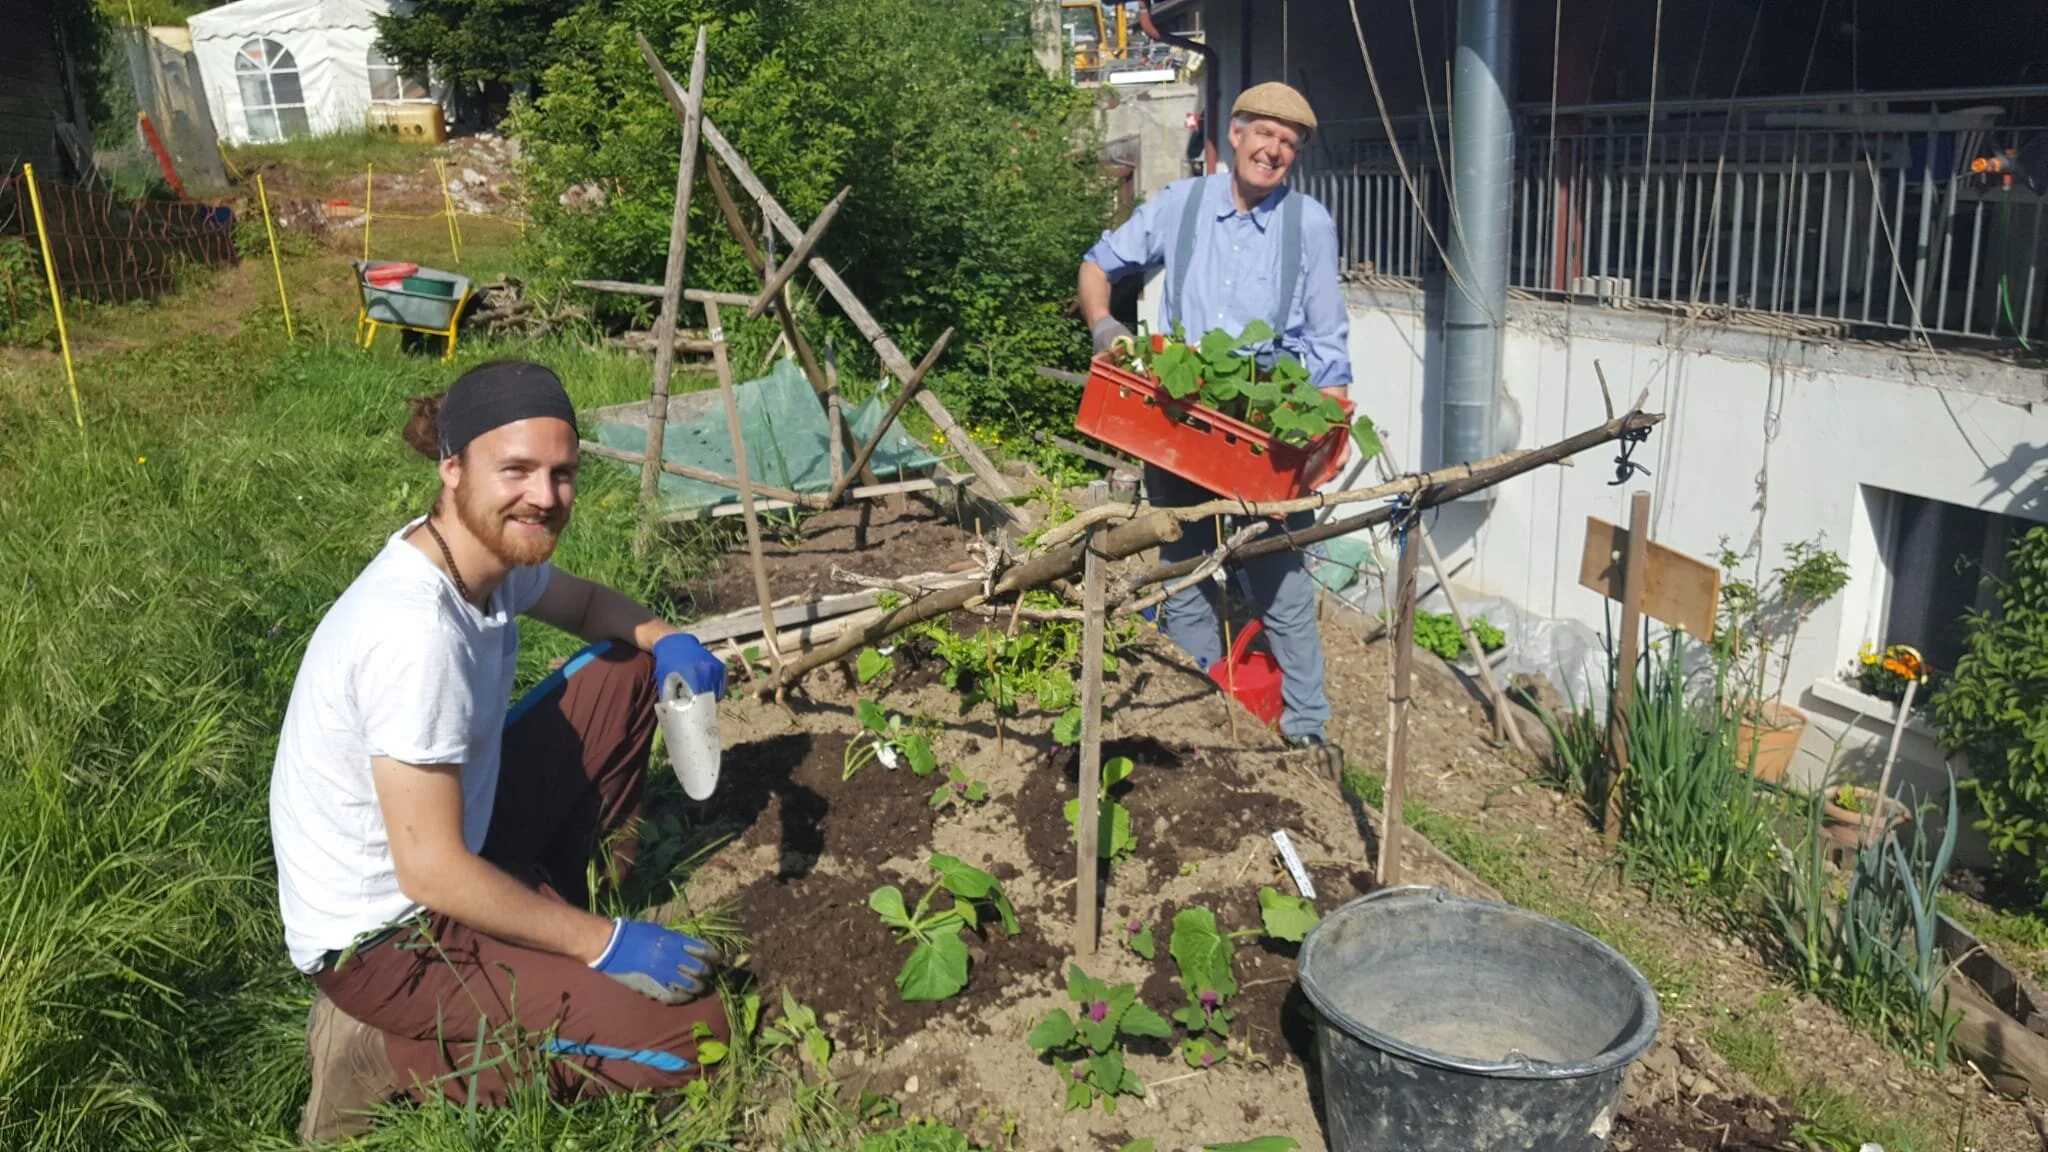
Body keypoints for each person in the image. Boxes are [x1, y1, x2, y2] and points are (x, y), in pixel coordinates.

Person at [269, 360, 733, 1141]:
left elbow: (588, 604)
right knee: (699, 1036)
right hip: (390, 940)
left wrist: (670, 638)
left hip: (451, 841)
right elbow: (431, 871)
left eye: (562, 473)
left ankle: (557, 908)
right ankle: (386, 1053)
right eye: (515, 469)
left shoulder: (479, 562)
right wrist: (608, 945)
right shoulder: (414, 635)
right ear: (453, 468)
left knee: (625, 668)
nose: (544, 497)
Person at [1077, 82, 1349, 760]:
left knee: (1278, 575)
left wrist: (1331, 429)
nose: (1274, 150)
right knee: (1183, 562)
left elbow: (1328, 342)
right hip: (1178, 423)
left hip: (1267, 435)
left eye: (1288, 144)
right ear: (1234, 135)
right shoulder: (1180, 206)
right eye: (1264, 134)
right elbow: (1097, 266)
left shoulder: (1308, 225)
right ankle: (1205, 702)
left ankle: (1307, 730)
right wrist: (1106, 325)